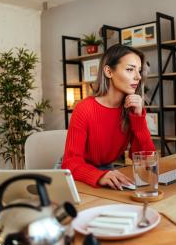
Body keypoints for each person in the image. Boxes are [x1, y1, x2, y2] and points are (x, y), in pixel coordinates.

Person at [62, 44, 155, 190]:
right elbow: (70, 163)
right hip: (75, 173)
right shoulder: (84, 108)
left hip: (106, 171)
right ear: (108, 71)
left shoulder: (130, 109)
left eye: (139, 70)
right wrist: (99, 176)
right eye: (130, 69)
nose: (138, 76)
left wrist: (138, 117)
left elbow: (146, 161)